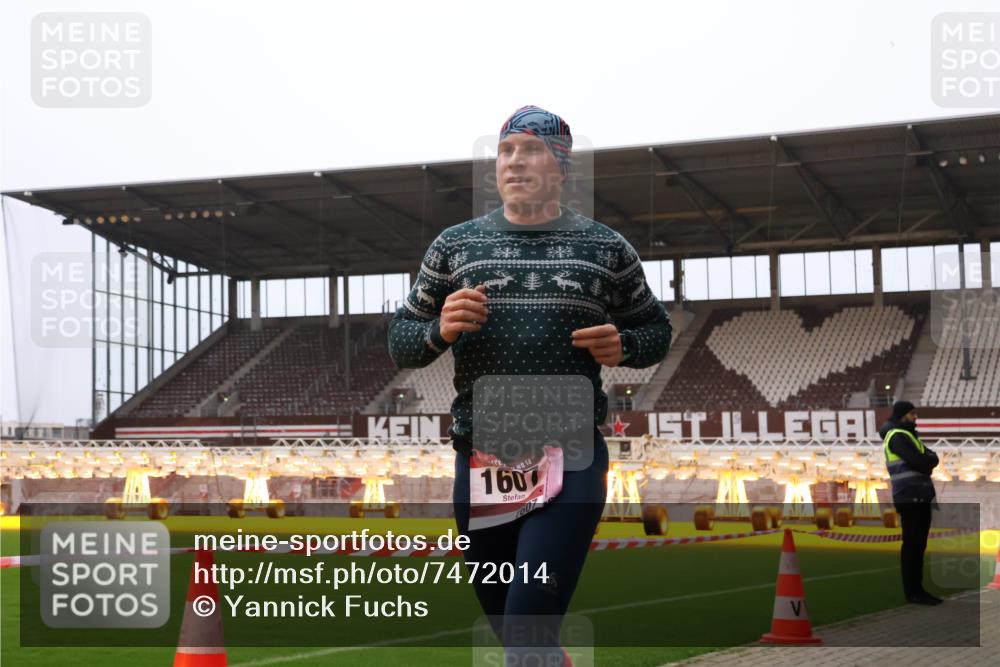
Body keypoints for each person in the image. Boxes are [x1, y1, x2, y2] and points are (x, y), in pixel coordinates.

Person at [387, 105, 671, 665]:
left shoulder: (607, 249)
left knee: (525, 631)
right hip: (484, 457)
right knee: (508, 627)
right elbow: (400, 340)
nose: (514, 162)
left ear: (562, 165)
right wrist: (439, 329)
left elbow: (656, 330)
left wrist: (626, 346)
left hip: (571, 454)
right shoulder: (454, 247)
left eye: (531, 149)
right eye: (505, 151)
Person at [879, 400, 943, 606]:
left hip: (918, 495)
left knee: (918, 546)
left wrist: (928, 460)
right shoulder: (897, 436)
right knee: (913, 546)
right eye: (912, 414)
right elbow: (923, 462)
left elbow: (932, 459)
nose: (915, 417)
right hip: (910, 496)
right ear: (902, 415)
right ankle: (913, 592)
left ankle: (918, 590)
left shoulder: (907, 435)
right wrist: (928, 460)